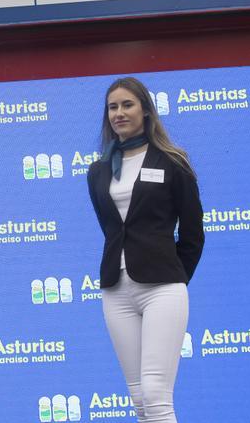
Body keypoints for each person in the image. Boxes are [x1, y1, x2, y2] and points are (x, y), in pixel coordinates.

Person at [86, 77, 204, 423]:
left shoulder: (172, 162)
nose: (119, 113)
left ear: (146, 111)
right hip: (116, 290)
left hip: (162, 288)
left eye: (127, 105)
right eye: (112, 107)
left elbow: (194, 235)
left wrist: (173, 276)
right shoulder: (98, 171)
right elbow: (112, 229)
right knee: (138, 398)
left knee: (155, 393)